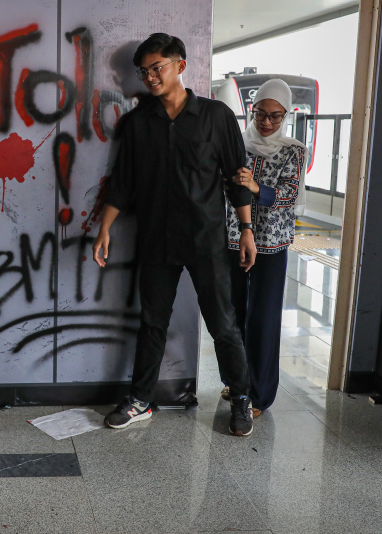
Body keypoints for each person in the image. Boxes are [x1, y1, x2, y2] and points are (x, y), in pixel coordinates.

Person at [92, 33, 257, 436]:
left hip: (207, 240)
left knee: (222, 324)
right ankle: (142, 400)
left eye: (157, 68)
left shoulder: (217, 117)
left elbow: (238, 177)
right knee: (152, 323)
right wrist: (105, 228)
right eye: (143, 71)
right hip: (156, 240)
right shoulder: (137, 124)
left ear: (180, 66)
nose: (150, 77)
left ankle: (240, 397)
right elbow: (124, 182)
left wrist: (247, 229)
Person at [222, 79, 306, 418]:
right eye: (260, 113)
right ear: (252, 111)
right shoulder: (237, 145)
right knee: (232, 315)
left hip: (271, 246)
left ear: (286, 115)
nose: (267, 122)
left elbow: (288, 196)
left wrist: (256, 187)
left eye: (275, 115)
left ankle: (259, 394)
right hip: (231, 238)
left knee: (263, 320)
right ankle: (235, 382)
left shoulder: (294, 151)